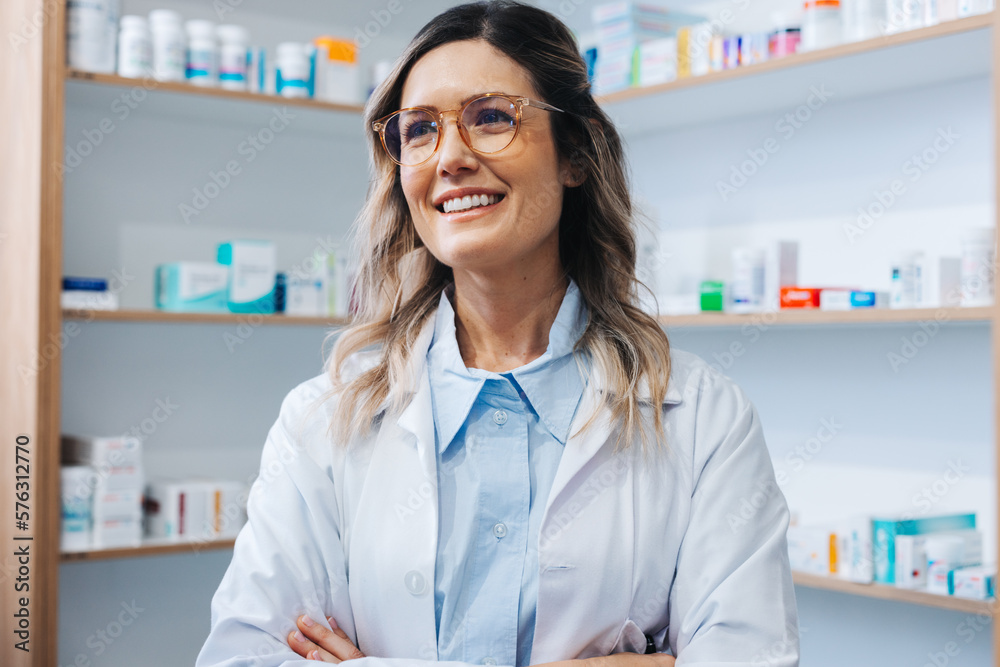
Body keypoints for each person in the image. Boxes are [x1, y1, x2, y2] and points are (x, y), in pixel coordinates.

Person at [196, 2, 800, 666]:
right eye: (420, 130)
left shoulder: (705, 419)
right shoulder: (322, 422)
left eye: (491, 118)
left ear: (574, 154)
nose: (450, 157)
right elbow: (241, 655)